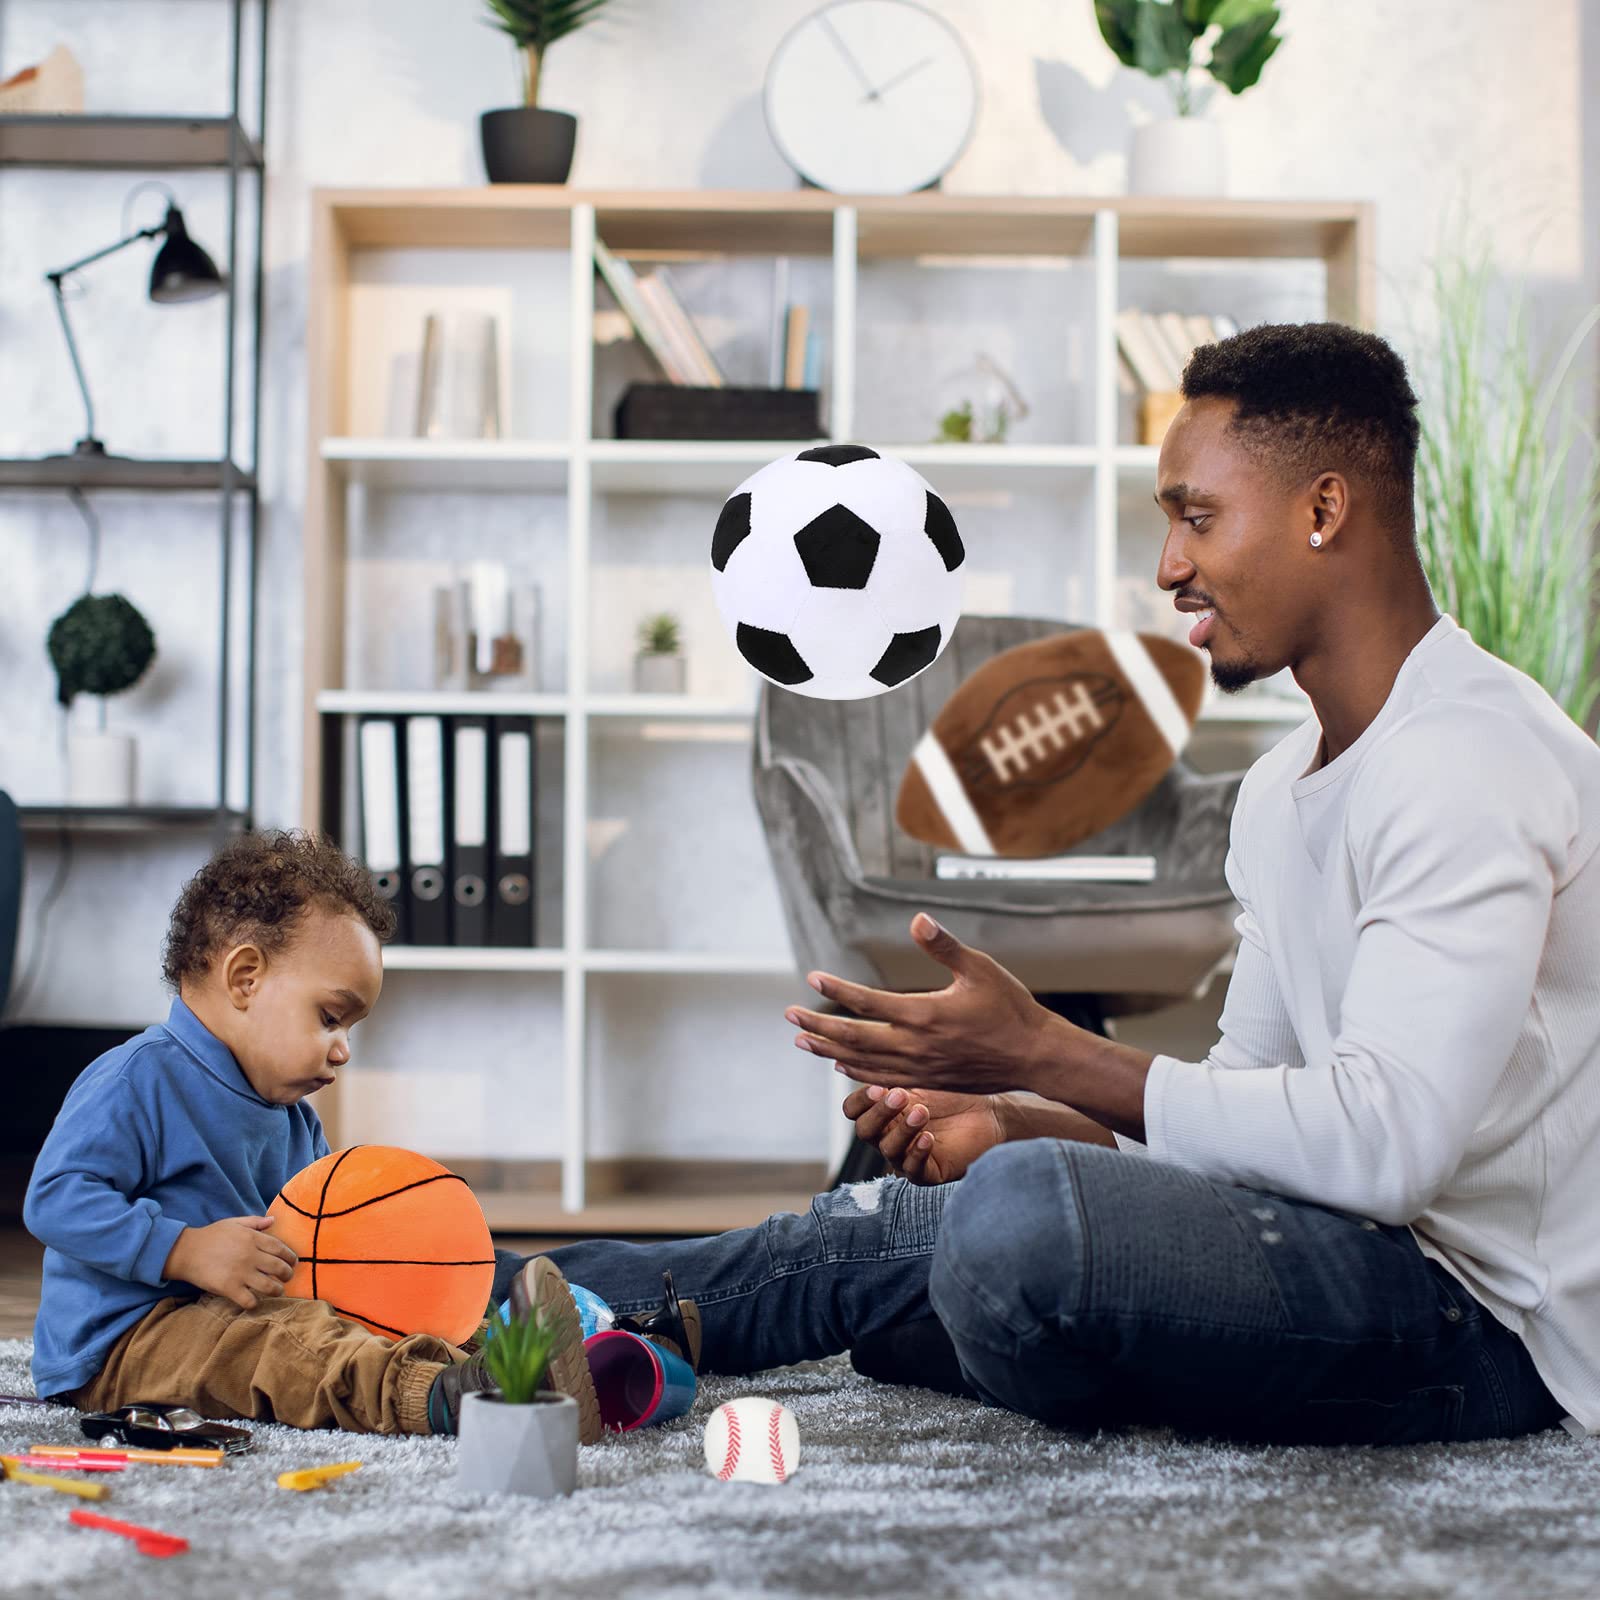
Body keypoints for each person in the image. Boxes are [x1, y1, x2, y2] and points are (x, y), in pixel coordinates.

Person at [459, 321, 1600, 1448]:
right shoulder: (1276, 788)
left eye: (1196, 517)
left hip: (1492, 1325)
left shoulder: (1467, 758)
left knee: (1015, 1226)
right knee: (962, 1207)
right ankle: (528, 1303)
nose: (1170, 569)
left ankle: (988, 1316)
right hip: (1351, 1245)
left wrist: (1041, 1051)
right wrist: (1012, 1116)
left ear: (1323, 509)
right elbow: (1243, 1102)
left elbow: (1383, 1147)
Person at [22, 830, 657, 1441]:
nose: (342, 1050)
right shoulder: (139, 1078)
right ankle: (445, 1397)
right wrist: (184, 1250)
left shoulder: (294, 1117)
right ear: (245, 977)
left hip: (240, 1311)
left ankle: (516, 1363)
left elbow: (330, 1251)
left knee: (362, 1317)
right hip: (126, 1341)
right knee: (286, 1345)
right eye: (330, 1018)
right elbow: (54, 1199)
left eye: (350, 1028)